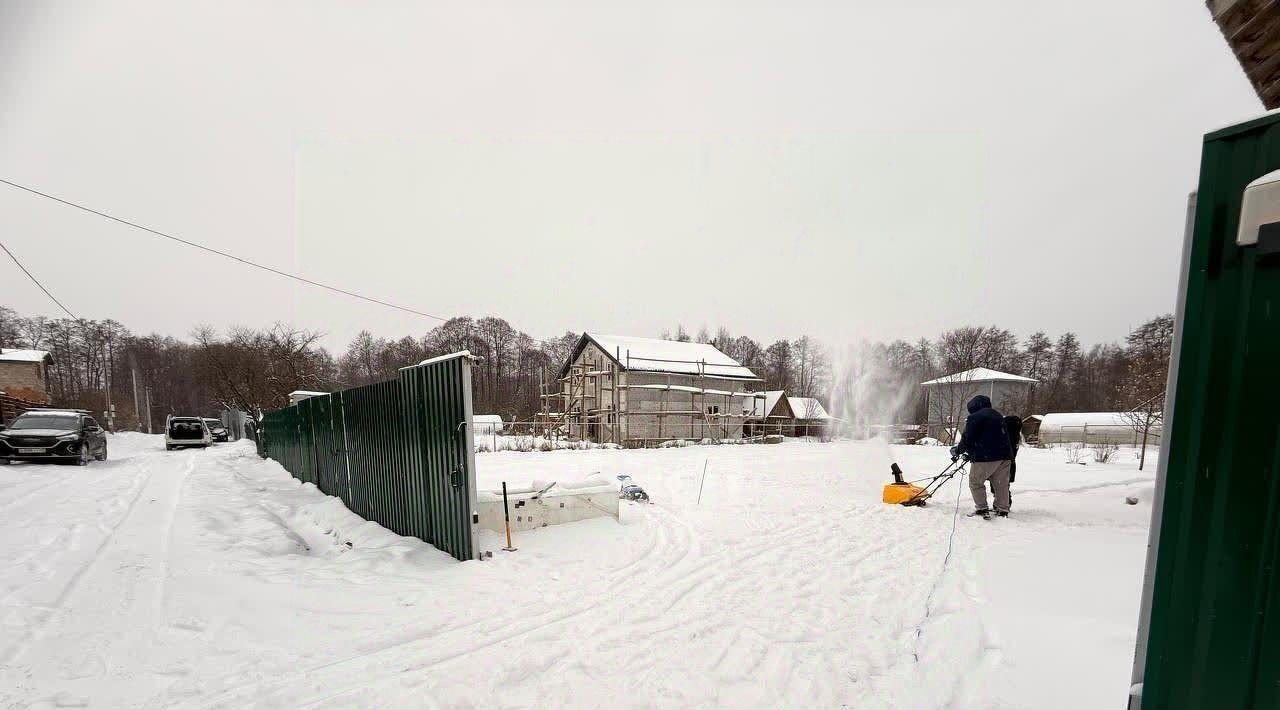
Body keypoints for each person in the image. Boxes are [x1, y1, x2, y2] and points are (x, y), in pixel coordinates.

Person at [949, 394, 1014, 519]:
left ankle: (982, 508)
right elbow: (990, 437)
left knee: (975, 482)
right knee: (1000, 484)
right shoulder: (998, 416)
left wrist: (957, 451)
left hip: (985, 457)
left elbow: (967, 438)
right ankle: (1002, 509)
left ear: (973, 407)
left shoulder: (975, 417)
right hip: (1005, 456)